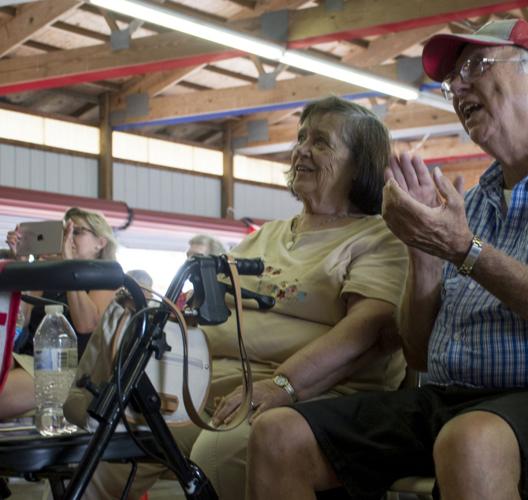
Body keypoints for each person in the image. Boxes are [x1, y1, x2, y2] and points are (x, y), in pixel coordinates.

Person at [247, 19, 528, 500]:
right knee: (280, 435)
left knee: (470, 441)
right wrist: (423, 251)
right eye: (451, 83)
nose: (458, 87)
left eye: (477, 67)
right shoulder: (477, 198)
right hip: (454, 400)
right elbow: (421, 353)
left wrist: (465, 250)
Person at [72, 96, 408, 500]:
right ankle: (91, 397)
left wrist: (284, 383)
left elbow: (368, 331)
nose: (301, 149)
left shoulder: (379, 237)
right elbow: (202, 306)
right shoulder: (267, 236)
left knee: (220, 452)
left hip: (317, 395)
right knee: (98, 453)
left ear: (360, 164)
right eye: (301, 138)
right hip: (212, 391)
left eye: (321, 142)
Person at [0, 207, 117, 420]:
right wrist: (22, 263)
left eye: (77, 232)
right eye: (65, 232)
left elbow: (86, 325)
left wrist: (69, 264)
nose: (69, 237)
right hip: (29, 357)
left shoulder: (105, 278)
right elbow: (22, 320)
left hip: (64, 367)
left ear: (100, 243)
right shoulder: (49, 273)